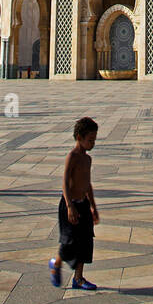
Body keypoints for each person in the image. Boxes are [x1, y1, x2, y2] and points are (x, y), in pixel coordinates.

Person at [49, 117, 99, 291]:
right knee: (70, 242)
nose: (92, 143)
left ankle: (78, 278)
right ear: (79, 137)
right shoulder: (73, 156)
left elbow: (87, 184)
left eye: (94, 140)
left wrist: (93, 206)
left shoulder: (88, 159)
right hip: (69, 205)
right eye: (90, 140)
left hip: (83, 204)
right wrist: (69, 206)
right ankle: (56, 263)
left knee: (85, 241)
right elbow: (64, 182)